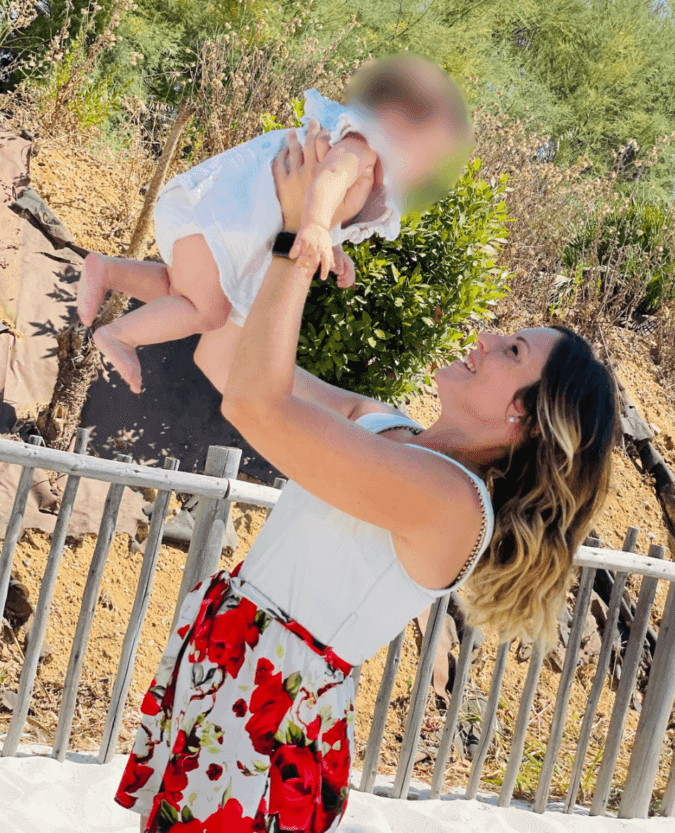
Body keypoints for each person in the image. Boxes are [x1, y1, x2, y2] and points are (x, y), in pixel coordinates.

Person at [114, 125, 617, 833]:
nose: (483, 338)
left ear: (526, 418)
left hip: (268, 714)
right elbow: (224, 355)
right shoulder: (381, 423)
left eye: (510, 351)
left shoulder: (453, 503)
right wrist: (277, 236)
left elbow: (255, 404)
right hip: (231, 673)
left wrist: (302, 234)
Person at [76, 53, 473, 394]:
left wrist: (332, 245)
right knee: (208, 313)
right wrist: (314, 226)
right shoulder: (362, 147)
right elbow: (329, 179)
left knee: (180, 291)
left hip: (213, 215)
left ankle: (108, 270)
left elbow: (328, 202)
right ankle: (120, 335)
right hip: (220, 215)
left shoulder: (365, 164)